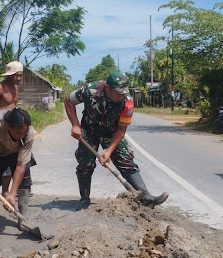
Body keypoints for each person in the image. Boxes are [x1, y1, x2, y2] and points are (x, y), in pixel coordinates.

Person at [64, 71, 169, 210]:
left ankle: (145, 196)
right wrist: (75, 125)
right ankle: (84, 199)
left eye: (123, 92)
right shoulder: (90, 90)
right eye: (118, 92)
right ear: (107, 88)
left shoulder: (127, 103)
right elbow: (68, 101)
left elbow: (121, 130)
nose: (121, 96)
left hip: (112, 132)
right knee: (85, 163)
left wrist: (108, 151)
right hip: (89, 130)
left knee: (126, 159)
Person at [0, 61, 27, 197]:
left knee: (17, 161)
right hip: (2, 130)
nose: (19, 79)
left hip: (15, 129)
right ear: (10, 75)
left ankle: (10, 190)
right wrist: (2, 125)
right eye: (17, 76)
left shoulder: (16, 88)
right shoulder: (0, 88)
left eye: (21, 76)